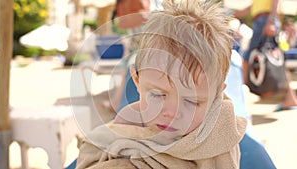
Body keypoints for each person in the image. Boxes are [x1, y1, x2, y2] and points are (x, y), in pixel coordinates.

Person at [76, 1, 247, 168]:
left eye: (192, 102)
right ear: (137, 80)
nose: (172, 113)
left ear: (216, 95)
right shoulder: (127, 122)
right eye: (157, 95)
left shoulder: (220, 135)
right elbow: (94, 150)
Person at [234, 0, 297, 111]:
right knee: (277, 61)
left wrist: (271, 20)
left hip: (265, 21)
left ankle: (239, 100)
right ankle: (290, 98)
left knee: (247, 59)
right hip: (263, 21)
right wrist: (231, 15)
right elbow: (252, 8)